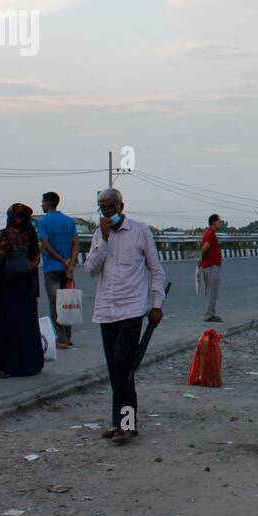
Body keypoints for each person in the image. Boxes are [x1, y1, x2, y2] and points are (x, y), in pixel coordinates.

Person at [87, 187, 167, 445]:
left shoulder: (140, 231)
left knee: (124, 367)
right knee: (115, 371)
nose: (107, 212)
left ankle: (127, 425)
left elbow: (156, 271)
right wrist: (105, 240)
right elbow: (90, 269)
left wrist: (157, 304)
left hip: (132, 310)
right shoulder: (100, 234)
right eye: (103, 207)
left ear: (121, 206)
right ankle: (120, 423)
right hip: (106, 311)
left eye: (111, 206)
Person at [0, 204, 45, 378]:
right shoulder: (31, 237)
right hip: (26, 290)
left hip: (7, 289)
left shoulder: (6, 236)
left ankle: (4, 366)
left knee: (4, 327)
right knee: (26, 326)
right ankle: (30, 364)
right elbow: (33, 266)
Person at [38, 191, 80, 349]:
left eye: (42, 201)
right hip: (67, 269)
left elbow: (46, 245)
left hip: (52, 268)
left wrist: (62, 260)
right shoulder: (69, 221)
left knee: (55, 304)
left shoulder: (44, 222)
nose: (41, 204)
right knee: (67, 303)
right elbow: (76, 243)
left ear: (48, 202)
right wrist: (70, 264)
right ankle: (68, 337)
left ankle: (61, 338)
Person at [199, 213, 224, 322]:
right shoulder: (210, 233)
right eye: (219, 221)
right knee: (211, 291)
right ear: (214, 222)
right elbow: (205, 249)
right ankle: (209, 315)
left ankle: (211, 313)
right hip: (211, 267)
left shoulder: (210, 233)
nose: (221, 223)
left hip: (211, 266)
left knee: (211, 291)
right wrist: (202, 259)